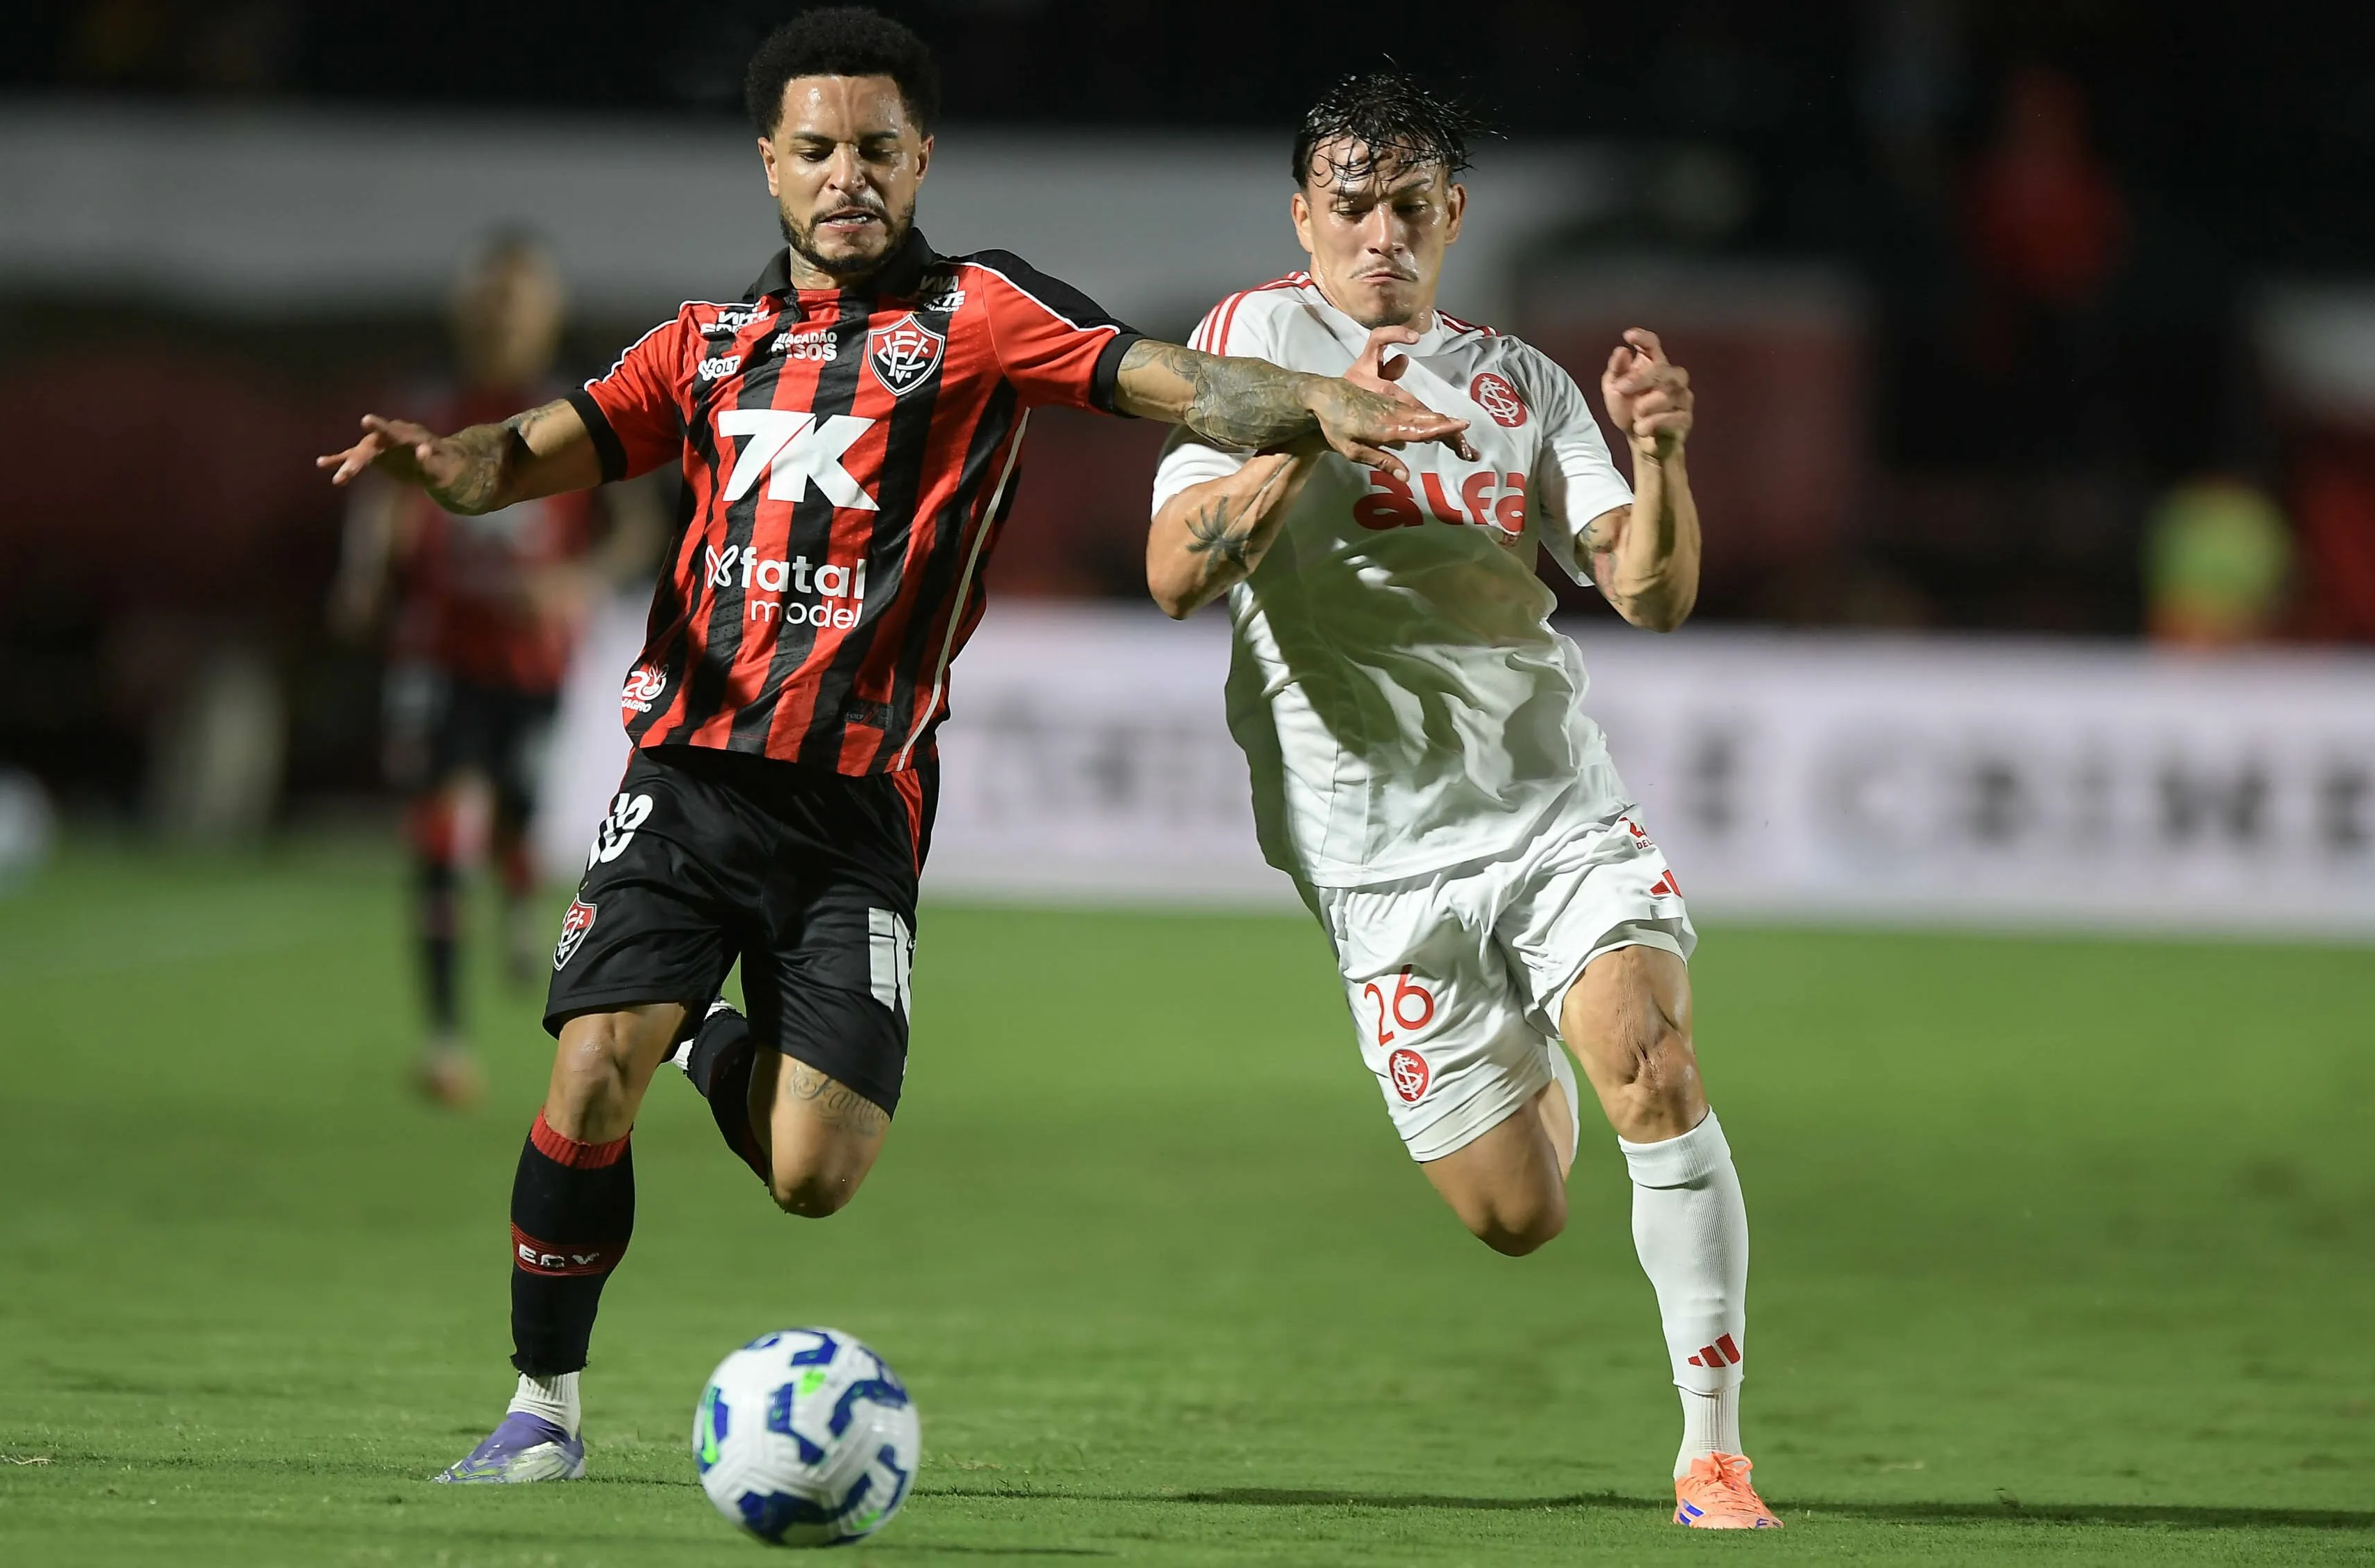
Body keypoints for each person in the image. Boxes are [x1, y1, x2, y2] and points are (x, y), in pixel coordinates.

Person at [316, 7, 1473, 1485]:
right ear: (769, 164)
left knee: (814, 1175)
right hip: (686, 775)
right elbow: (518, 457)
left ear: (920, 156)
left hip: (857, 809)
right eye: (814, 149)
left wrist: (1312, 405)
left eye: (874, 147)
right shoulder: (702, 345)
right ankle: (542, 1409)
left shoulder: (978, 318)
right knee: (588, 1066)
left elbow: (1168, 379)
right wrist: (436, 472)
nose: (844, 174)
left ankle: (698, 1046)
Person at [1145, 72, 1774, 1530]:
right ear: (1302, 215)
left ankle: (1712, 1452)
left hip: (1551, 809)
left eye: (1409, 209)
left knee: (1655, 1065)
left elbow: (1648, 593)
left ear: (1452, 218)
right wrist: (1310, 430)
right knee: (1515, 1216)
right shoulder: (1248, 346)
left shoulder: (1521, 385)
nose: (1381, 238)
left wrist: (1662, 459)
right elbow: (1176, 573)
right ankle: (1527, 1061)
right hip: (1372, 859)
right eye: (1351, 207)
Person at [330, 233, 660, 1106]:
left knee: (513, 817)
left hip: (533, 659)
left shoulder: (577, 411)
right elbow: (387, 490)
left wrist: (574, 582)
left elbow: (635, 529)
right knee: (437, 832)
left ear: (546, 312)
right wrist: (366, 574)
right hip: (438, 649)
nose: (500, 314)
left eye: (517, 299)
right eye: (489, 298)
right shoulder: (432, 401)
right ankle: (443, 1040)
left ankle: (516, 902)